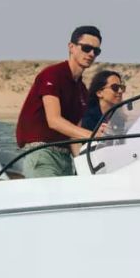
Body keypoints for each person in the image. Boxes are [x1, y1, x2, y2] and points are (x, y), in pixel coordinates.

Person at [14, 26, 101, 177]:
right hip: (42, 153)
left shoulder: (82, 90)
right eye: (86, 48)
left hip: (65, 158)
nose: (91, 54)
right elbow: (54, 121)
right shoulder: (52, 74)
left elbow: (74, 135)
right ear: (71, 47)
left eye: (96, 51)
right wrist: (93, 135)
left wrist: (84, 168)